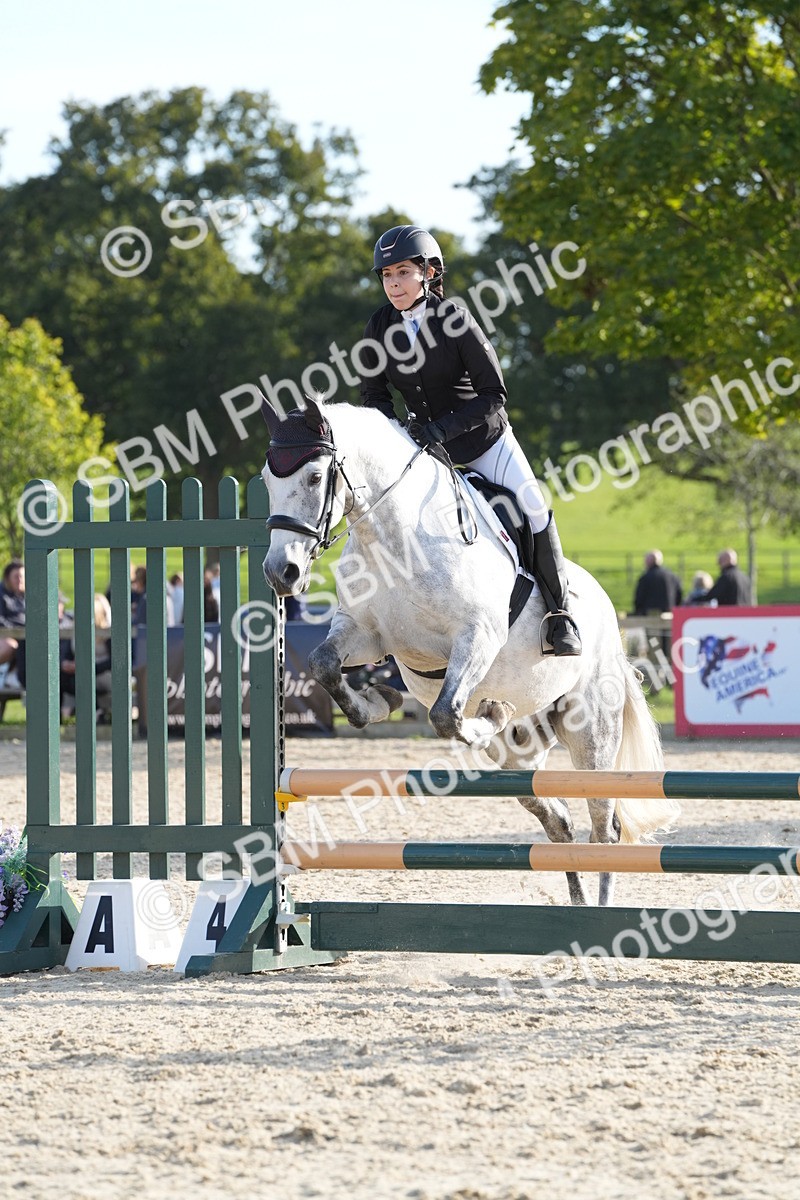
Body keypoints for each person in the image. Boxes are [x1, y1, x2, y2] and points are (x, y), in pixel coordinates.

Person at [358, 224, 580, 656]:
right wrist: (397, 436)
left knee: (533, 508)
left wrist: (443, 428)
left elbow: (494, 395)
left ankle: (559, 615)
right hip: (425, 453)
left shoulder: (455, 318)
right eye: (386, 275)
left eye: (403, 272)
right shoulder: (378, 326)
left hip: (484, 444)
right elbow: (373, 397)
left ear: (428, 272)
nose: (393, 284)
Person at [633, 550, 683, 615]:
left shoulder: (645, 578)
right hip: (669, 613)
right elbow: (679, 596)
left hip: (649, 615)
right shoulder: (673, 577)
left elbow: (639, 599)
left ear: (648, 561)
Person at [0, 560, 26, 685]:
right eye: (16, 576)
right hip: (6, 636)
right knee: (11, 645)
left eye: (22, 576)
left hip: (24, 637)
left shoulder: (26, 596)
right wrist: (16, 629)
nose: (20, 580)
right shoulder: (2, 595)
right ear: (8, 578)